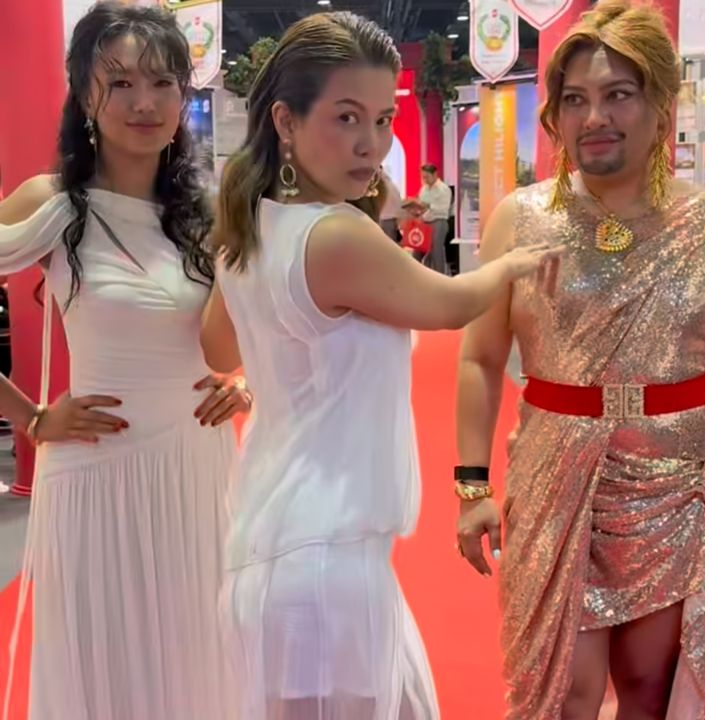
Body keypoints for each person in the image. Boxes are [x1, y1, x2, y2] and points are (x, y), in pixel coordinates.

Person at [201, 11, 560, 720]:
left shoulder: (249, 227)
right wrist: (514, 261)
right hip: (324, 562)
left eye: (382, 118)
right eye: (346, 118)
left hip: (278, 547)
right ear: (286, 121)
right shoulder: (336, 233)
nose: (372, 142)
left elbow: (220, 350)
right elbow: (450, 304)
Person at [455, 1, 705, 719]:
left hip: (678, 486)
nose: (594, 117)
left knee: (650, 687)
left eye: (617, 95)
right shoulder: (521, 218)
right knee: (562, 690)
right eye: (574, 99)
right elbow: (480, 358)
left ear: (661, 108)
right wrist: (471, 487)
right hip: (554, 476)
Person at [0, 4, 250, 718]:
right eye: (121, 83)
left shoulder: (211, 212)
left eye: (163, 82)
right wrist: (31, 418)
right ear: (85, 95)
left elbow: (261, 326)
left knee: (193, 659)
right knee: (101, 660)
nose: (145, 102)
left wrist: (245, 383)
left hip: (196, 470)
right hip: (94, 474)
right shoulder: (52, 205)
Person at [415, 164, 452, 273]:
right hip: (424, 222)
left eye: (427, 177)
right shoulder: (424, 189)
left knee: (437, 251)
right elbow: (420, 204)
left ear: (435, 174)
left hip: (438, 222)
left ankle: (439, 276)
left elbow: (444, 208)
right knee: (417, 251)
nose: (425, 180)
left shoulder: (444, 189)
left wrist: (429, 206)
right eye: (423, 177)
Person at [379, 167, 403, 241]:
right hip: (391, 220)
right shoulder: (392, 185)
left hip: (383, 219)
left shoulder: (381, 186)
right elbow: (398, 203)